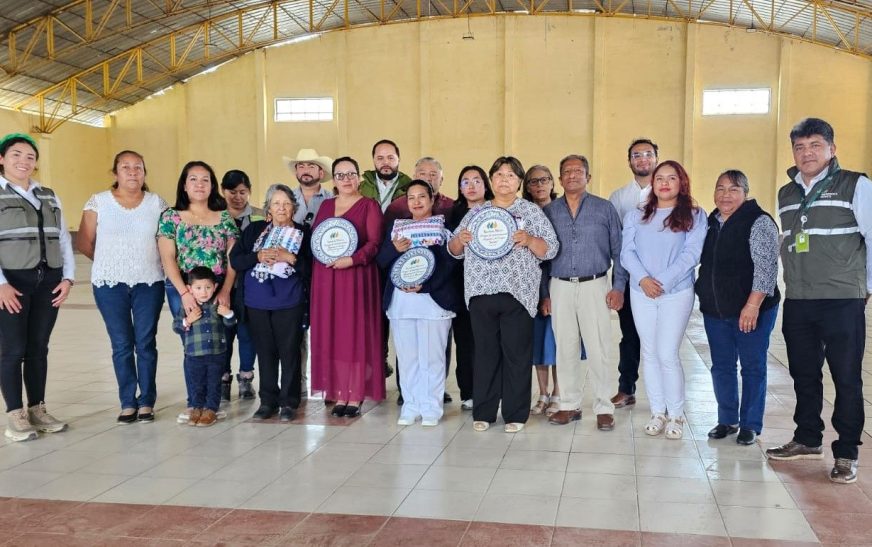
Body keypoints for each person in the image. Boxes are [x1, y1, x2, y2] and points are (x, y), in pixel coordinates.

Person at [766, 118, 872, 484]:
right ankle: (808, 438)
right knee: (803, 374)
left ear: (832, 148)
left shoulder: (855, 185)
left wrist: (865, 289)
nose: (806, 153)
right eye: (799, 146)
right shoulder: (786, 193)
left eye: (814, 145)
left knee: (846, 377)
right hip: (800, 299)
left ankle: (846, 452)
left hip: (843, 299)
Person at [448, 156, 559, 433]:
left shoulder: (531, 212)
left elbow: (552, 249)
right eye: (498, 175)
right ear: (491, 180)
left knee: (517, 355)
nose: (504, 180)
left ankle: (515, 414)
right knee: (484, 354)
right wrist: (459, 241)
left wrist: (530, 240)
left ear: (519, 181)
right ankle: (484, 412)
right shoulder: (476, 213)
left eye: (510, 175)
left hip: (518, 293)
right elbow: (453, 251)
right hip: (480, 293)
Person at [77, 150, 167, 424]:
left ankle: (147, 401)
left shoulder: (157, 204)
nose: (131, 171)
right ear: (115, 173)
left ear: (144, 173)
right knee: (121, 344)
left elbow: (166, 242)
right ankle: (128, 401)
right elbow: (84, 242)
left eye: (137, 167)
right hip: (109, 284)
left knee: (146, 343)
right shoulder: (98, 202)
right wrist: (111, 262)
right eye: (125, 167)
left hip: (149, 282)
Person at [620, 160, 706, 440]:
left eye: (672, 178)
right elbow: (627, 253)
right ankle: (658, 412)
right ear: (653, 184)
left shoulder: (694, 214)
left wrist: (663, 281)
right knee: (649, 352)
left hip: (676, 292)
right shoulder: (637, 215)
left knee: (667, 353)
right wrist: (644, 279)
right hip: (641, 291)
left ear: (682, 182)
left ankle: (676, 414)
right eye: (660, 178)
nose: (665, 183)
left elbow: (692, 254)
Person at [695, 170, 780, 446]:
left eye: (733, 189)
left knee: (752, 365)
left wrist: (752, 305)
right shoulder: (711, 222)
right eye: (720, 189)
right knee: (721, 366)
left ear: (745, 192)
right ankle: (727, 419)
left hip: (752, 309)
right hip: (716, 310)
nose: (725, 195)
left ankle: (750, 424)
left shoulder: (759, 221)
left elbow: (766, 269)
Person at [544, 156, 627, 431]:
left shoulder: (604, 209)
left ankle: (604, 406)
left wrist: (618, 287)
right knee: (565, 347)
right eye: (566, 172)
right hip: (560, 285)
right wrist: (545, 293)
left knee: (599, 346)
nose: (571, 176)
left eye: (578, 171)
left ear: (588, 177)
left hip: (595, 284)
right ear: (560, 178)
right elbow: (542, 258)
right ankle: (569, 405)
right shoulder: (550, 211)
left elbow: (620, 251)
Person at [0, 133, 74, 441]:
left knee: (38, 348)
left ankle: (38, 408)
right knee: (12, 349)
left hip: (49, 282)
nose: (23, 161)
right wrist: (1, 285)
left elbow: (63, 238)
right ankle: (15, 413)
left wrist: (68, 277)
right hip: (12, 284)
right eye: (16, 155)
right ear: (2, 159)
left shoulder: (48, 194)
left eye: (30, 156)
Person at [157, 161, 239, 424]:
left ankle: (212, 404)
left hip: (216, 288)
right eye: (193, 179)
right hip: (184, 287)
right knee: (191, 347)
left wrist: (225, 288)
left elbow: (232, 256)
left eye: (205, 179)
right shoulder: (171, 216)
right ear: (184, 184)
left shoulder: (223, 216)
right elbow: (167, 257)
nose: (200, 184)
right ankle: (195, 402)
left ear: (212, 185)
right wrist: (184, 292)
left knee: (216, 347)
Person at [377, 180, 459, 426]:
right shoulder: (397, 229)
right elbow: (381, 262)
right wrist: (394, 249)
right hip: (402, 302)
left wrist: (427, 285)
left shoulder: (443, 229)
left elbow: (450, 263)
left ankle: (431, 407)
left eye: (422, 196)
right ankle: (410, 405)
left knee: (432, 357)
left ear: (432, 199)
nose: (416, 202)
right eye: (411, 197)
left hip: (433, 301)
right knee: (408, 356)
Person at [310, 157, 385, 417]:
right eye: (340, 175)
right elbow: (316, 240)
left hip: (355, 277)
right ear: (334, 179)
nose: (346, 179)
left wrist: (351, 260)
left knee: (353, 334)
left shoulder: (369, 206)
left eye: (351, 174)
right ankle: (339, 391)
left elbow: (375, 243)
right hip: (326, 277)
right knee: (334, 333)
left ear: (359, 177)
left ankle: (355, 394)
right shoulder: (326, 206)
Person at [231, 184, 309, 422]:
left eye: (286, 203)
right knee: (265, 352)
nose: (281, 208)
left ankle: (288, 402)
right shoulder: (255, 230)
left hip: (289, 302)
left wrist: (291, 258)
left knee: (289, 352)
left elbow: (312, 270)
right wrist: (257, 256)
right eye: (276, 203)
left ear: (294, 207)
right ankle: (267, 401)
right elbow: (236, 260)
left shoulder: (305, 233)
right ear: (268, 208)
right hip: (256, 302)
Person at [609, 138, 658, 408]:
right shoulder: (619, 197)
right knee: (630, 336)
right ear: (629, 161)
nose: (642, 160)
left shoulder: (668, 191)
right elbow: (617, 246)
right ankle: (626, 388)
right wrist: (618, 284)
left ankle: (662, 395)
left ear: (656, 159)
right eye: (636, 155)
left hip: (663, 281)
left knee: (661, 339)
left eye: (648, 154)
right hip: (630, 280)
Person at [285, 148, 333, 398]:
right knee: (295, 330)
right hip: (292, 273)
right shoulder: (284, 198)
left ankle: (327, 384)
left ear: (320, 172)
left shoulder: (332, 200)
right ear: (296, 171)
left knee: (325, 329)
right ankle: (298, 384)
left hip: (324, 271)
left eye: (311, 166)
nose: (305, 170)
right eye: (301, 165)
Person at [446, 166, 494, 411]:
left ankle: (493, 391)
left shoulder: (497, 209)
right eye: (465, 181)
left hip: (493, 285)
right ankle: (469, 392)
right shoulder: (453, 213)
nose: (472, 186)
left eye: (477, 180)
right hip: (461, 286)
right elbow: (449, 250)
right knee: (466, 341)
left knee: (490, 341)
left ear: (486, 184)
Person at [172, 267, 237, 427]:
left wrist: (228, 314)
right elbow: (176, 326)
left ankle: (211, 409)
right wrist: (188, 320)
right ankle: (196, 407)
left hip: (216, 353)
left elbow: (230, 324)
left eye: (208, 287)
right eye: (198, 288)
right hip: (194, 354)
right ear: (190, 289)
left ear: (215, 287)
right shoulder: (186, 308)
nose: (203, 292)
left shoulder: (217, 305)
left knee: (214, 381)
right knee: (196, 382)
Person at [522, 165, 561, 417]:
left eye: (544, 180)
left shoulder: (560, 210)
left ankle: (559, 393)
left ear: (552, 183)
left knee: (558, 343)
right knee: (538, 345)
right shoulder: (525, 213)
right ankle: (543, 393)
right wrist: (540, 292)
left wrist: (549, 292)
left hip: (559, 284)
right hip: (532, 287)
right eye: (533, 181)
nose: (539, 185)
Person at [220, 169, 263, 401]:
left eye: (243, 192)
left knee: (247, 334)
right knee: (224, 336)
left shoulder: (260, 215)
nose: (238, 197)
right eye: (232, 192)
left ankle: (246, 378)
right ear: (223, 191)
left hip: (251, 285)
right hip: (221, 287)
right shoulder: (216, 216)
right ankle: (223, 378)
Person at [384, 157, 455, 225]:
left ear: (441, 180)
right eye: (422, 174)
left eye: (433, 175)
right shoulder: (397, 207)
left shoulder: (452, 207)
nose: (428, 179)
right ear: (414, 178)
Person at [360, 139, 412, 212]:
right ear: (373, 160)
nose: (385, 162)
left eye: (390, 158)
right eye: (380, 158)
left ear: (399, 159)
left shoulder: (410, 187)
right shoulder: (360, 188)